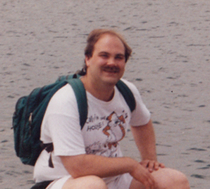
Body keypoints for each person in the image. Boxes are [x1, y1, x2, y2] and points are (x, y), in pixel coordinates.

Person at [33, 29, 190, 189]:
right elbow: (77, 166)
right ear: (88, 59)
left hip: (114, 179)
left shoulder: (127, 91)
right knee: (92, 186)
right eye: (104, 55)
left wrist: (150, 160)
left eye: (119, 57)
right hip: (63, 180)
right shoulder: (66, 101)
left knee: (175, 181)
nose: (112, 63)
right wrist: (129, 165)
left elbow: (143, 122)